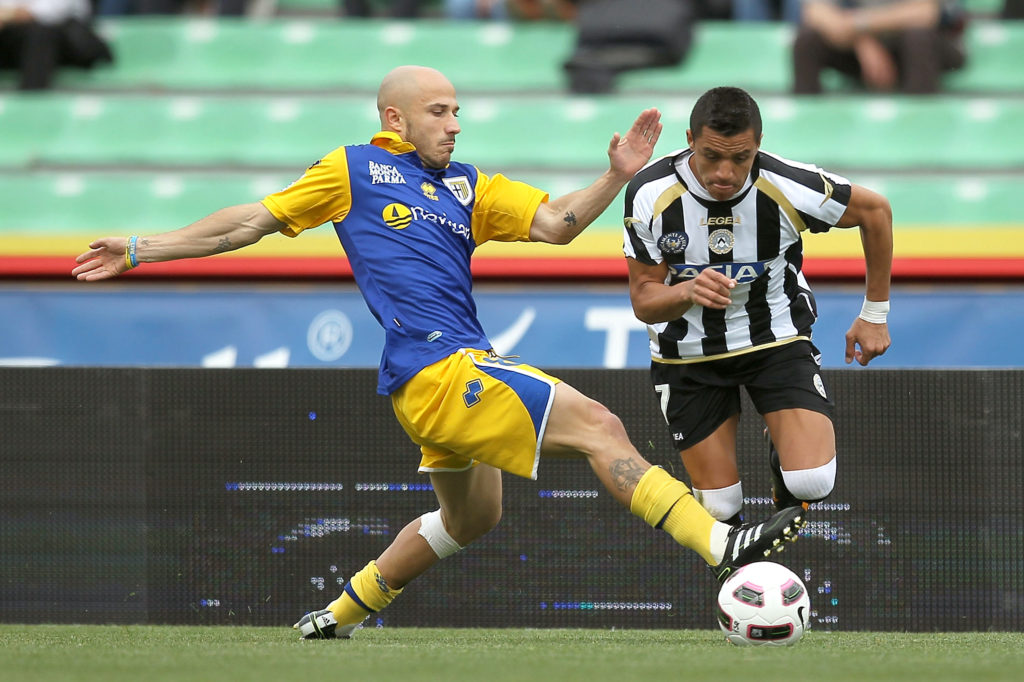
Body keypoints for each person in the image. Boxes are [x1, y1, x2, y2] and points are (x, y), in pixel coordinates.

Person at [73, 66, 806, 639]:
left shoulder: (466, 185)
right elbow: (248, 225)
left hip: (434, 382)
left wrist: (616, 176)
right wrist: (142, 247)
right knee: (599, 427)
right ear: (395, 118)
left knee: (471, 519)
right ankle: (721, 546)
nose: (455, 124)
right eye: (439, 111)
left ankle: (342, 612)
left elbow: (555, 225)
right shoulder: (353, 168)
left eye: (457, 111)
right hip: (439, 367)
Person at [623, 86, 892, 528]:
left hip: (776, 339)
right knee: (718, 512)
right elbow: (644, 301)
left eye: (740, 158)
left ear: (758, 146)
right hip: (688, 353)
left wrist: (875, 314)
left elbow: (876, 211)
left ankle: (781, 450)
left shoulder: (785, 184)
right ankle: (748, 591)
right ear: (690, 139)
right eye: (711, 156)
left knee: (812, 482)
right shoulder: (649, 193)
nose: (725, 172)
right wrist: (687, 292)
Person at [792, 0, 966, 94]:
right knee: (808, 39)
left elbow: (926, 13)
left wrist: (861, 24)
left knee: (917, 38)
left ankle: (921, 121)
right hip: (861, 45)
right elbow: (815, 12)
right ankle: (809, 125)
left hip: (929, 45)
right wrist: (861, 40)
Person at [0, 0, 111, 90]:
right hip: (18, 43)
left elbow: (45, 13)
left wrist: (9, 14)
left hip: (69, 45)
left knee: (41, 33)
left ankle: (33, 103)